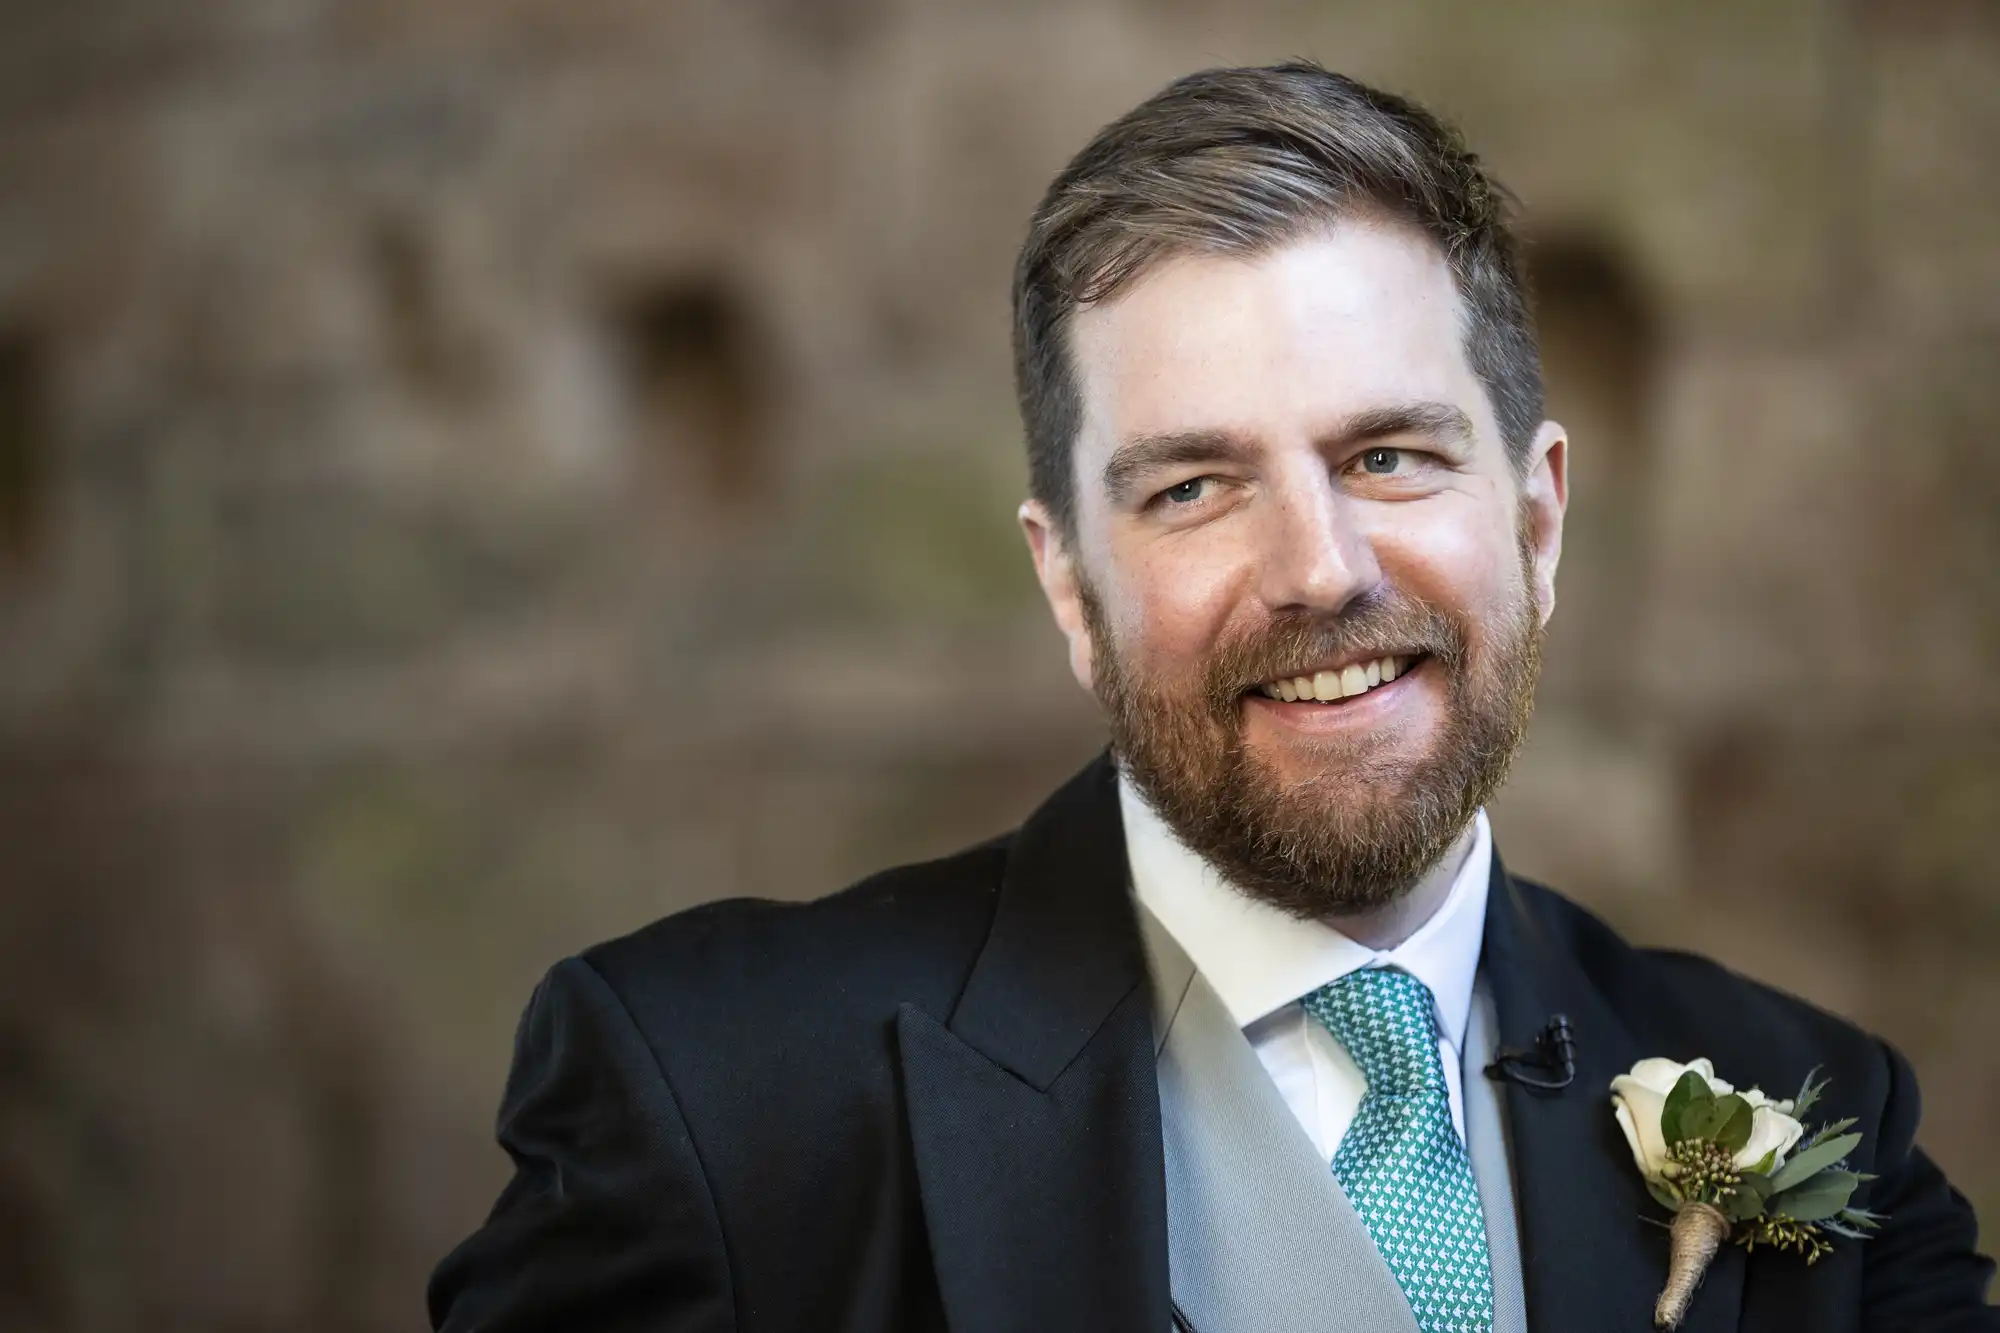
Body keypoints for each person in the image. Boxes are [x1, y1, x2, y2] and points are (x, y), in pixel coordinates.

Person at [428, 63, 1997, 1332]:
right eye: (1192, 489)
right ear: (1070, 587)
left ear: (1536, 517)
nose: (1317, 568)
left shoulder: (1816, 1116)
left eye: (1389, 456)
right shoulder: (709, 1101)